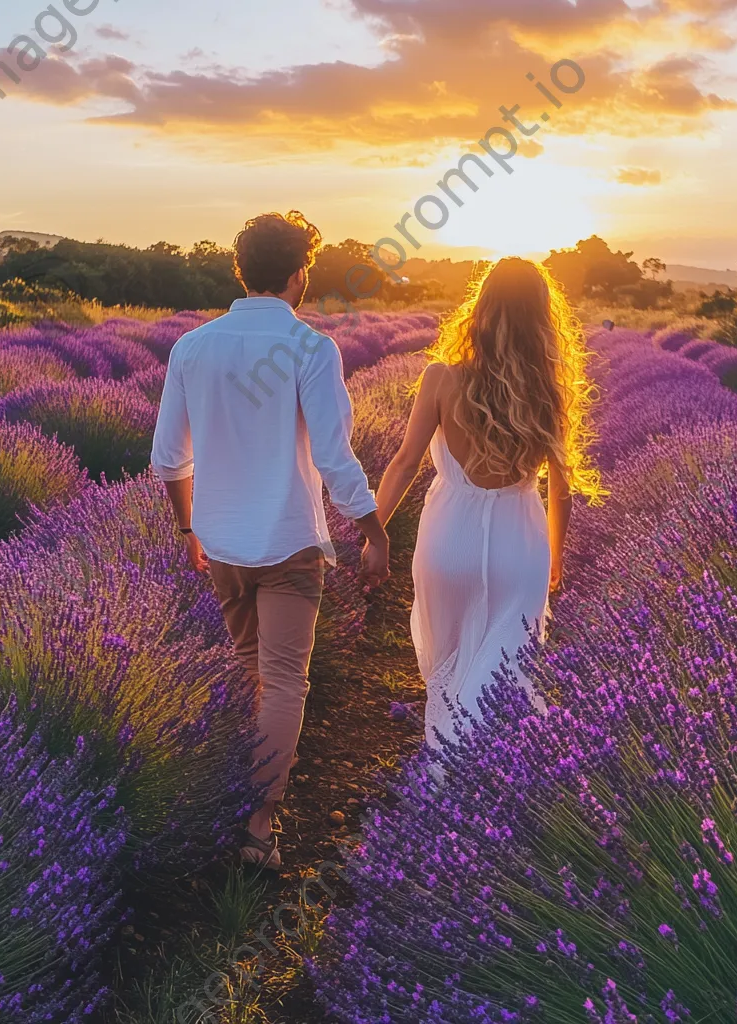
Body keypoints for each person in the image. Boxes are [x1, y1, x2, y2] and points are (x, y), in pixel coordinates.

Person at [151, 211, 390, 870]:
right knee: (284, 683)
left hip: (222, 543)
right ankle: (259, 825)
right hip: (287, 543)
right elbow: (337, 460)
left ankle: (233, 798)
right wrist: (373, 530)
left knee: (247, 671)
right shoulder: (310, 347)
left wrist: (189, 529)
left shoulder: (192, 348)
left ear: (241, 272)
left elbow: (170, 459)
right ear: (297, 275)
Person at [372, 257, 602, 748]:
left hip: (447, 539)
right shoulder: (547, 390)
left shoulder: (440, 378)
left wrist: (374, 532)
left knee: (448, 663)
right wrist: (557, 554)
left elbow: (403, 462)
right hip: (519, 544)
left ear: (481, 309)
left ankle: (446, 773)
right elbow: (560, 488)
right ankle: (492, 785)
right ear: (542, 318)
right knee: (507, 672)